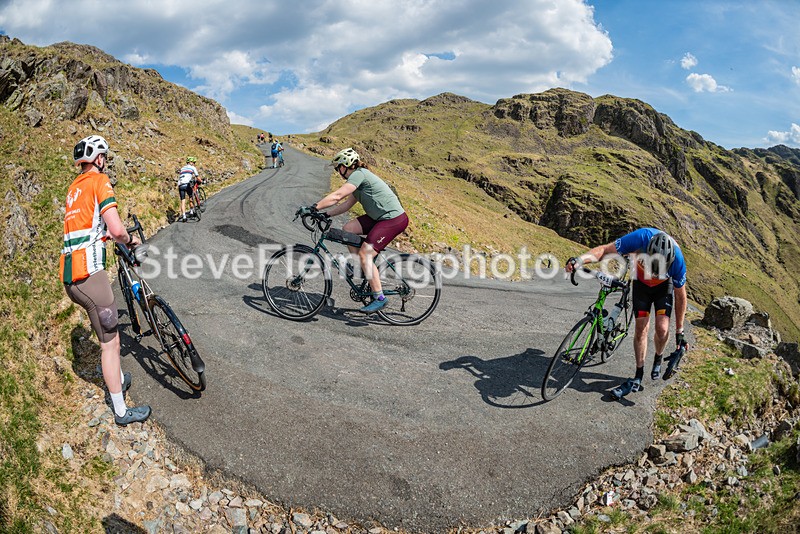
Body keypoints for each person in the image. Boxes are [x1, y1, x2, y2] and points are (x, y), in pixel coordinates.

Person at [60, 135, 151, 426]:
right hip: (91, 276)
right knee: (111, 345)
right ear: (99, 159)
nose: (106, 162)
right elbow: (116, 228)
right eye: (105, 158)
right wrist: (131, 239)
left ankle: (119, 379)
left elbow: (90, 227)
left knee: (104, 336)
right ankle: (122, 411)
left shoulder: (74, 188)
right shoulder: (100, 181)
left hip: (71, 277)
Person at [565, 228, 688, 398]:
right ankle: (639, 373)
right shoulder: (640, 238)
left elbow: (681, 296)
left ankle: (658, 358)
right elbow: (605, 250)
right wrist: (580, 260)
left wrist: (679, 332)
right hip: (641, 284)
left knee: (662, 328)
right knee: (641, 329)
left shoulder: (678, 260)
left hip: (662, 289)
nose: (654, 272)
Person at [308, 147, 408, 313]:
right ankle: (362, 268)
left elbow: (337, 196)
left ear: (346, 165)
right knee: (348, 229)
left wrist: (314, 208)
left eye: (338, 167)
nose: (338, 171)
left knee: (365, 254)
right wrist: (326, 214)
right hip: (379, 217)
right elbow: (346, 204)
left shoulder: (359, 174)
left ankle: (379, 298)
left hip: (393, 219)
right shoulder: (359, 180)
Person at [177, 156, 199, 222]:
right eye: (194, 162)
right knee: (190, 197)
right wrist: (200, 181)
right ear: (191, 162)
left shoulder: (182, 168)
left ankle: (184, 216)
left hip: (180, 185)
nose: (194, 163)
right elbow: (197, 177)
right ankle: (191, 212)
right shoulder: (192, 168)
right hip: (187, 184)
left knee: (183, 201)